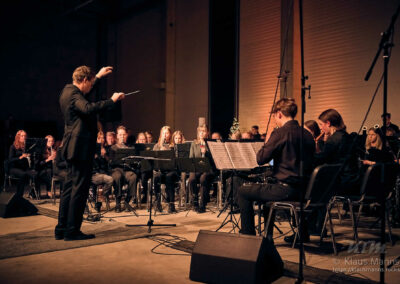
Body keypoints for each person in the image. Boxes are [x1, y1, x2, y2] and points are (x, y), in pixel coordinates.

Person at [55, 65, 125, 241]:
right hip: (79, 148)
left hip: (72, 147)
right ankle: (72, 230)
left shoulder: (67, 90)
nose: (91, 86)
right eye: (91, 82)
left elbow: (85, 100)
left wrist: (99, 77)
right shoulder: (74, 94)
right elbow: (87, 108)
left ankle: (61, 228)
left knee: (69, 188)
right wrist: (112, 100)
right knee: (79, 189)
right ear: (84, 80)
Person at [238, 98, 315, 238]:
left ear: (279, 114)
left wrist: (267, 141)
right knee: (269, 187)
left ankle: (247, 236)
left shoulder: (280, 133)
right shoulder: (307, 134)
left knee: (243, 190)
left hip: (285, 190)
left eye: (274, 116)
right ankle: (295, 234)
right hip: (305, 190)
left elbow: (261, 159)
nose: (274, 119)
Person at [110, 125, 138, 212]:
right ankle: (118, 202)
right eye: (120, 135)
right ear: (117, 136)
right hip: (117, 169)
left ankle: (127, 201)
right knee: (117, 177)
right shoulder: (113, 148)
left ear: (127, 135)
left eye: (124, 135)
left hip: (127, 169)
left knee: (133, 177)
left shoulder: (130, 147)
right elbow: (111, 162)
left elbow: (134, 161)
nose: (122, 136)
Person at [188, 125, 215, 213]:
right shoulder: (194, 143)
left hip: (208, 168)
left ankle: (202, 204)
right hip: (196, 167)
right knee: (191, 179)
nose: (202, 133)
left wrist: (206, 153)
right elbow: (191, 157)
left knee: (203, 179)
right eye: (200, 131)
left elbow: (214, 159)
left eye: (204, 131)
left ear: (207, 133)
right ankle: (195, 200)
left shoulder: (210, 143)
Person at [8, 130, 37, 198]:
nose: (24, 137)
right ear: (18, 137)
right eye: (22, 136)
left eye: (25, 136)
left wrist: (30, 156)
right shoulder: (13, 147)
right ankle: (19, 194)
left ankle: (32, 192)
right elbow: (10, 160)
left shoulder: (27, 147)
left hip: (24, 168)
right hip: (14, 168)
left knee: (35, 173)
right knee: (23, 174)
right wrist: (21, 157)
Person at [152, 126, 174, 212]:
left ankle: (171, 204)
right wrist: (160, 152)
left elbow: (175, 161)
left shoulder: (172, 146)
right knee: (157, 177)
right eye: (163, 133)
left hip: (171, 170)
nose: (165, 135)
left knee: (169, 177)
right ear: (161, 134)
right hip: (160, 170)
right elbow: (153, 161)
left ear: (170, 134)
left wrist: (167, 153)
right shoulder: (156, 146)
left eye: (167, 133)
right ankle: (157, 202)